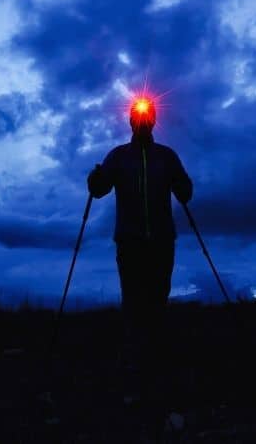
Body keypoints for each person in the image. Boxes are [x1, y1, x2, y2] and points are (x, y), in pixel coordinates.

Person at [87, 96, 192, 404]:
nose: (143, 121)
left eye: (147, 117)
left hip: (161, 240)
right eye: (138, 117)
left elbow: (185, 192)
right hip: (130, 241)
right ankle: (135, 364)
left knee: (158, 298)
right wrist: (94, 179)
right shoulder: (118, 157)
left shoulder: (166, 157)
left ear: (153, 121)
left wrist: (184, 185)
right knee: (134, 302)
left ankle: (155, 361)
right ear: (131, 122)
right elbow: (100, 189)